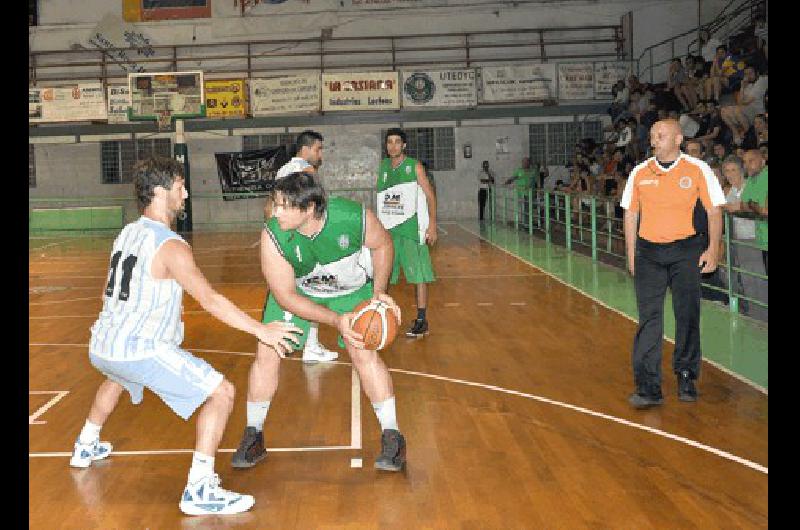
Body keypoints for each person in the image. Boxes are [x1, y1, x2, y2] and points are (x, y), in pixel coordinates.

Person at [69, 157, 303, 515]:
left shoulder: (126, 233)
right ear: (162, 192)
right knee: (221, 393)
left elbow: (107, 291)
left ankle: (85, 444)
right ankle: (200, 488)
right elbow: (210, 299)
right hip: (140, 348)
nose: (187, 194)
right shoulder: (171, 245)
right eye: (181, 186)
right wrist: (262, 330)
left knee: (115, 376)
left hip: (102, 345)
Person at [232, 172, 407, 471]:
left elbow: (383, 245)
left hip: (350, 291)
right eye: (275, 204)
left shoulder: (352, 217)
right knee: (267, 350)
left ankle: (393, 435)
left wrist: (378, 293)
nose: (276, 213)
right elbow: (286, 296)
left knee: (363, 352)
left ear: (310, 208)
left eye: (285, 206)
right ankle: (254, 433)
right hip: (299, 293)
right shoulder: (274, 234)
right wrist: (335, 320)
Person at [621, 119, 726, 408]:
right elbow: (630, 215)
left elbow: (714, 211)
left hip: (685, 252)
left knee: (687, 314)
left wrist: (713, 250)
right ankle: (648, 387)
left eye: (661, 135)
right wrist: (632, 255)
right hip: (648, 254)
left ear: (678, 139)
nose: (654, 140)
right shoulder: (639, 173)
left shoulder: (697, 169)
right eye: (653, 135)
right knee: (649, 320)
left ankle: (686, 375)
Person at [274, 129, 339, 364]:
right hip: (298, 238)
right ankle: (302, 343)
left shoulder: (286, 169)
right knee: (311, 290)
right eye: (318, 149)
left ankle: (305, 342)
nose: (320, 154)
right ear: (307, 148)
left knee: (300, 289)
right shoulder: (304, 170)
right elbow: (320, 203)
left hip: (288, 237)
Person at [377, 128, 438, 337]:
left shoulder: (414, 166)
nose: (393, 146)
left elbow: (430, 196)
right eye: (389, 142)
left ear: (404, 145)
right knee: (383, 275)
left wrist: (432, 225)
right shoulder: (384, 167)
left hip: (412, 229)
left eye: (397, 142)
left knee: (418, 275)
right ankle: (380, 315)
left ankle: (422, 320)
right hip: (388, 232)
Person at [740, 149, 768, 274]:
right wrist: (755, 206)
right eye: (745, 162)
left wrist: (752, 204)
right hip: (762, 239)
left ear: (763, 161)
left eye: (751, 161)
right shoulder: (751, 179)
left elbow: (765, 211)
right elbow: (743, 206)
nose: (747, 165)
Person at [504, 156, 537, 222]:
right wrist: (507, 182)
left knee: (531, 209)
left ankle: (529, 223)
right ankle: (526, 224)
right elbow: (513, 178)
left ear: (529, 163)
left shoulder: (533, 171)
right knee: (526, 209)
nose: (524, 163)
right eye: (523, 162)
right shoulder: (519, 171)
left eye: (526, 162)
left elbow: (536, 180)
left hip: (531, 193)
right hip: (522, 193)